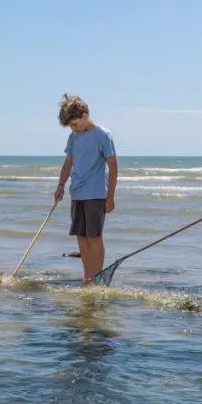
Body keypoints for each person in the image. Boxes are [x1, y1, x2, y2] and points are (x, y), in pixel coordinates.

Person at [53, 94, 118, 284]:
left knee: (94, 237)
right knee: (81, 237)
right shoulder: (73, 137)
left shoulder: (103, 135)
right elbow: (68, 163)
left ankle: (96, 277)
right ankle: (87, 277)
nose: (73, 128)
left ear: (85, 116)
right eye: (70, 126)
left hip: (96, 194)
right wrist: (60, 185)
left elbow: (113, 166)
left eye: (74, 124)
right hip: (77, 193)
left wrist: (111, 197)